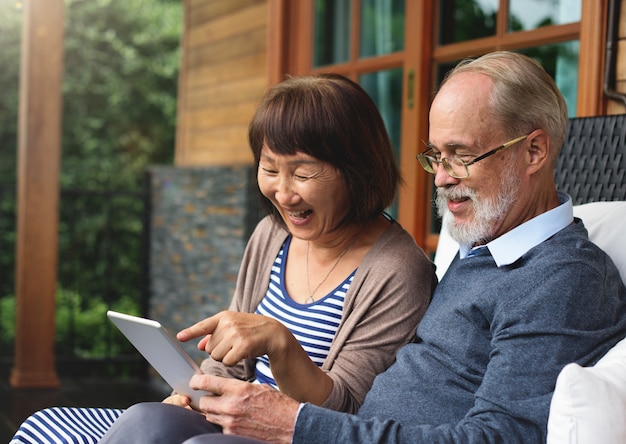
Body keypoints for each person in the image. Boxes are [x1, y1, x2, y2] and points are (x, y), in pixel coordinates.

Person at [95, 51, 626, 444]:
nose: (440, 179)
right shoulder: (479, 253)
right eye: (434, 156)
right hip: (341, 434)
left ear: (534, 150)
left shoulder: (564, 276)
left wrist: (294, 424)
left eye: (459, 156)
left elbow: (500, 439)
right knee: (148, 421)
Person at [10, 74, 436, 444]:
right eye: (270, 169)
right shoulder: (272, 235)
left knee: (145, 422)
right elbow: (230, 365)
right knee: (53, 425)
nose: (283, 194)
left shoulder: (398, 270)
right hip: (229, 422)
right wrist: (194, 395)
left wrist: (281, 343)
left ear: (357, 171)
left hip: (290, 435)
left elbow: (343, 414)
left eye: (303, 174)